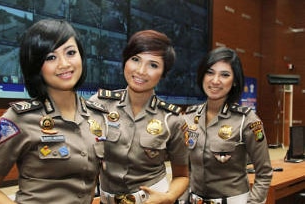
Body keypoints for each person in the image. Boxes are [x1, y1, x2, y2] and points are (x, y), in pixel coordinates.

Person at [0, 19, 106, 204]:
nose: (64, 64)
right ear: (36, 65)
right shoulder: (18, 120)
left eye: (71, 53)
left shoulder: (97, 117)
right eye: (51, 57)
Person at [90, 30, 189, 204]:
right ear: (125, 61)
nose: (141, 71)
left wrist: (169, 197)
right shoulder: (100, 104)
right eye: (135, 59)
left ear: (163, 72)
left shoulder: (172, 119)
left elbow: (182, 175)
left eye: (153, 65)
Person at [183, 47, 273, 204]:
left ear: (235, 81)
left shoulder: (247, 120)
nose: (215, 80)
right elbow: (186, 169)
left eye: (224, 75)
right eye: (210, 72)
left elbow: (264, 173)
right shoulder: (189, 118)